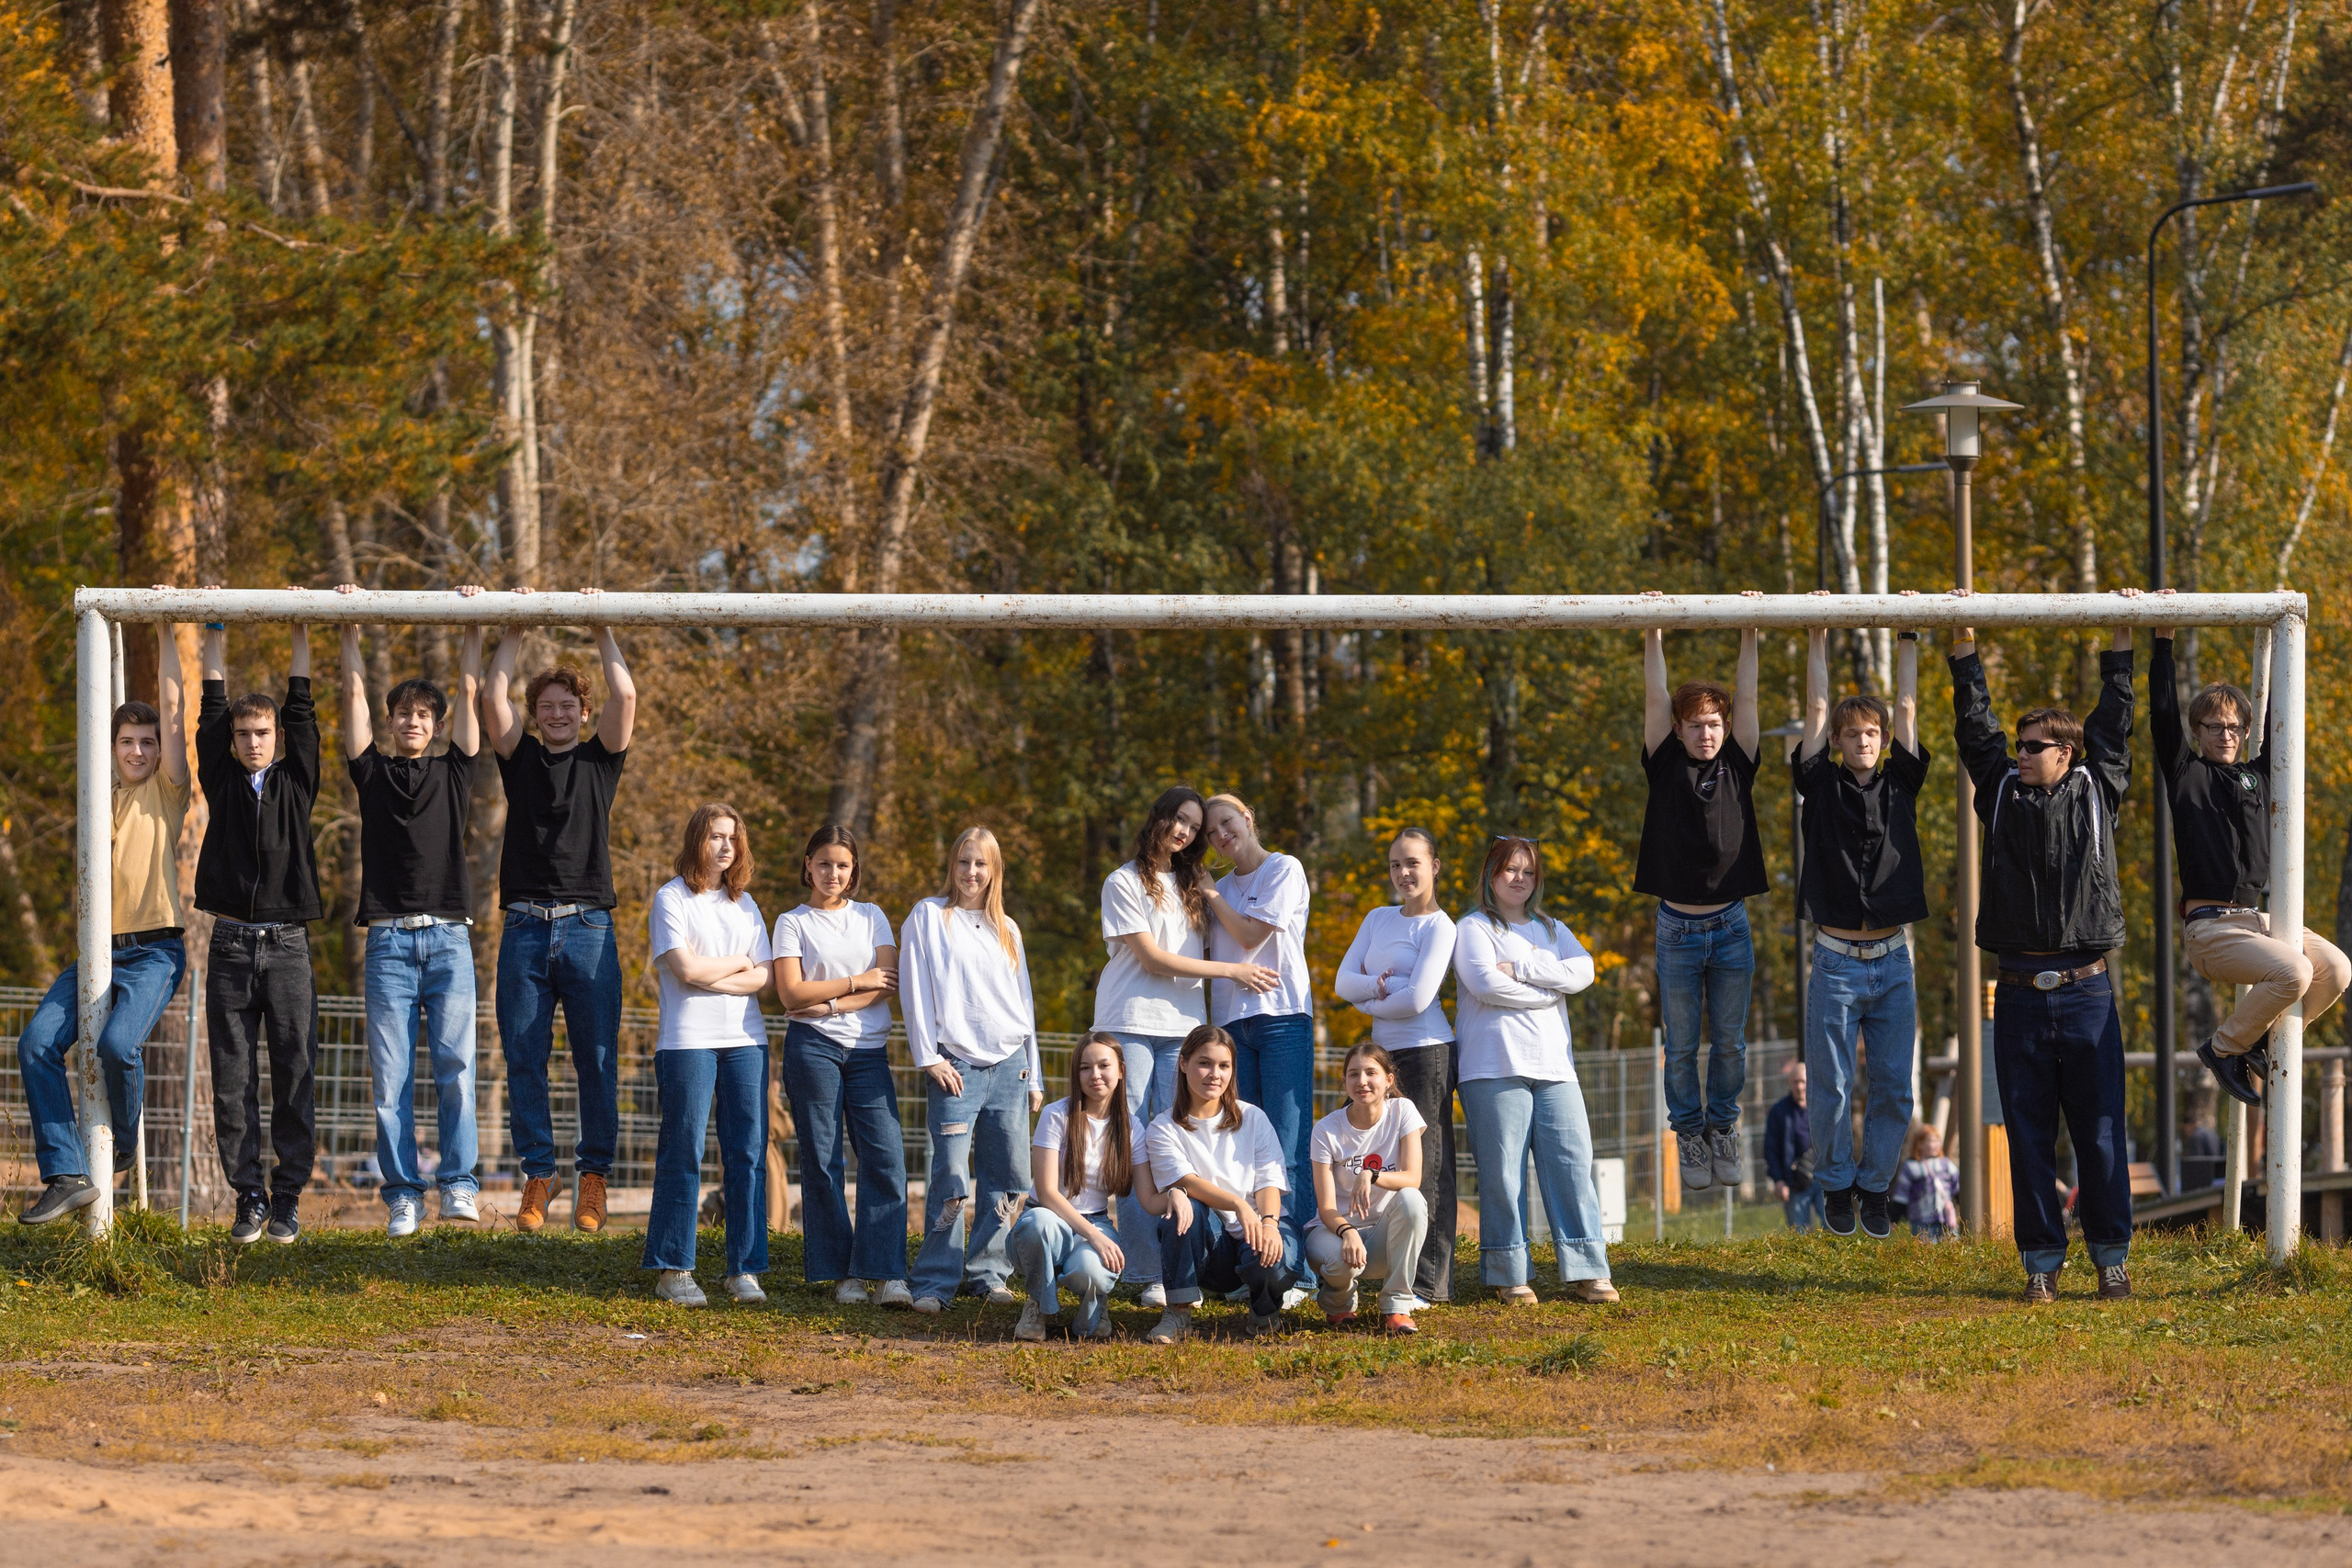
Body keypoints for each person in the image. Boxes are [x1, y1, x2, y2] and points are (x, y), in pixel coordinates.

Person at [1951, 588, 2142, 1303]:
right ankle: (2040, 1267)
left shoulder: (2097, 787)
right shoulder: (1998, 790)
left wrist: (2122, 637)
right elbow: (1976, 730)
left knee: (2097, 1133)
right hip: (2020, 995)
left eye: (2034, 747)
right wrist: (1962, 643)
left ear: (2066, 753)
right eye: (2019, 745)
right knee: (2027, 1135)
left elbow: (2115, 723)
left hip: (2089, 989)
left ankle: (2111, 1258)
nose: (2020, 754)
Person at [15, 616, 192, 1225]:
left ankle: (116, 1145)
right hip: (97, 952)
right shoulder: (98, 793)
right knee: (36, 1042)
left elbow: (173, 706)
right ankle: (66, 1171)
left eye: (147, 741)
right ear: (111, 747)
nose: (139, 750)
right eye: (127, 742)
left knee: (118, 1043)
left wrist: (168, 632)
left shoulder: (167, 791)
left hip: (155, 952)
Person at [2149, 616, 2351, 1108]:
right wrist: (2162, 643)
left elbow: (2286, 716)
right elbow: (2161, 712)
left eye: (2235, 727)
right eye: (2215, 727)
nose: (2226, 735)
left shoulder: (2258, 777)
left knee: (2336, 969)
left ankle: (2255, 1039)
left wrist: (2289, 640)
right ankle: (2223, 1048)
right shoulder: (2186, 773)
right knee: (2294, 973)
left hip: (2260, 920)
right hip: (2212, 928)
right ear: (2198, 731)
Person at [481, 607, 637, 1235]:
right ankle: (539, 1174)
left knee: (596, 1057)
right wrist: (513, 626)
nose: (555, 713)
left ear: (582, 710)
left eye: (566, 704)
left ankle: (592, 1177)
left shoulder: (602, 761)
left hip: (588, 927)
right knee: (524, 1055)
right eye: (544, 705)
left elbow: (626, 692)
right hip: (523, 928)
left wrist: (603, 625)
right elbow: (490, 693)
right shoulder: (518, 759)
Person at [1092, 786, 1275, 1306]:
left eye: (1194, 827)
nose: (1185, 832)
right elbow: (1152, 960)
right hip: (1128, 1021)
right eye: (1179, 820)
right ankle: (1142, 1270)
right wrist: (1233, 971)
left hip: (1184, 1028)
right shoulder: (1123, 881)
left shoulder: (1195, 884)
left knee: (1183, 1142)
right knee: (1131, 1146)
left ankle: (1190, 1265)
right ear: (1158, 818)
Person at [337, 595, 485, 1237]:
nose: (412, 721)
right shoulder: (371, 773)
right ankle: (403, 1193)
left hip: (450, 939)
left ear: (437, 723)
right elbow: (352, 703)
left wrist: (476, 629)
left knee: (456, 1067)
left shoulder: (456, 773)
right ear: (391, 722)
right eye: (403, 713)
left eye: (424, 714)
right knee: (389, 1079)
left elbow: (473, 696)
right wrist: (348, 632)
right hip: (390, 944)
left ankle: (458, 1184)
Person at [1794, 621, 1930, 1239]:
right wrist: (1817, 635)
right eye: (1853, 735)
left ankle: (1876, 1185)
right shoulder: (1818, 783)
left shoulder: (1903, 781)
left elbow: (1907, 705)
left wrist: (1907, 640)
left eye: (1872, 733)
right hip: (1836, 959)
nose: (1864, 742)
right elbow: (1817, 707)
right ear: (1839, 741)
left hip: (1893, 958)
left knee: (1896, 1086)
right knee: (1833, 1086)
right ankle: (1836, 1184)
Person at [195, 602, 323, 1246]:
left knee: (295, 1070)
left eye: (262, 733)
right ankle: (248, 1196)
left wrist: (300, 623)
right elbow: (210, 700)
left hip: (290, 944)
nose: (251, 741)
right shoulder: (219, 779)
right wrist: (213, 625)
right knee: (233, 1076)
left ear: (276, 737)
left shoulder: (297, 781)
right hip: (229, 946)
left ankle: (288, 1199)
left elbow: (302, 702)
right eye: (244, 733)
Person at [1452, 836, 1618, 1305]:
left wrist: (1523, 967)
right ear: (1491, 874)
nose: (1519, 878)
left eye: (1527, 871)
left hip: (1555, 1066)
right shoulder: (1473, 927)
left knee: (1572, 1163)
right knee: (1504, 1173)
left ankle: (1588, 1269)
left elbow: (1583, 972)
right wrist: (1549, 988)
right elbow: (1485, 985)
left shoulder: (1551, 927)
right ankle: (1510, 1271)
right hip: (1492, 1066)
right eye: (1510, 870)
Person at [1637, 609, 1766, 1201]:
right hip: (1677, 929)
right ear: (1680, 731)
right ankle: (1689, 1132)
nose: (1706, 734)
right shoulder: (1663, 763)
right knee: (1683, 1043)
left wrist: (1749, 628)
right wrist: (1654, 630)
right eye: (1695, 726)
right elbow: (1655, 694)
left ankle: (1723, 1127)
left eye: (1713, 724)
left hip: (1731, 925)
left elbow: (1748, 693)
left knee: (1732, 1041)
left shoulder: (1739, 761)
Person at [900, 827, 1042, 1314]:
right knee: (951, 1178)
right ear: (952, 864)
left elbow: (1023, 1004)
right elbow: (915, 989)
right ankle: (934, 1281)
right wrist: (929, 1056)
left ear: (994, 870)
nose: (971, 872)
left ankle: (988, 1272)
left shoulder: (1009, 928)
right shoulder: (929, 917)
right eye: (964, 861)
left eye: (981, 864)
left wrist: (1036, 1076)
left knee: (1008, 1176)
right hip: (955, 1064)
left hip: (1011, 1066)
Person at [772, 824, 910, 1306]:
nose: (833, 873)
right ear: (808, 864)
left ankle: (886, 1270)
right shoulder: (792, 922)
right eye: (824, 863)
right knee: (824, 1159)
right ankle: (840, 1273)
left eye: (843, 865)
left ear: (854, 872)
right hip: (813, 1048)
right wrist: (856, 981)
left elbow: (886, 982)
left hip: (869, 1053)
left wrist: (831, 1002)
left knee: (885, 1156)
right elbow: (790, 993)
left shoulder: (872, 916)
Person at [643, 804, 773, 1307]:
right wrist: (738, 963)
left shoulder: (747, 906)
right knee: (685, 1151)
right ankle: (673, 1268)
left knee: (747, 1154)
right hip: (686, 1041)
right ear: (697, 839)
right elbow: (684, 971)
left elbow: (764, 978)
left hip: (747, 1042)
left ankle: (744, 1269)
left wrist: (716, 970)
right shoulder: (670, 899)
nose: (725, 847)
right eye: (716, 836)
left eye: (733, 839)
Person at [1331, 827, 1458, 1305]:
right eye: (1395, 865)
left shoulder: (1440, 926)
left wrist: (1375, 994)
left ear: (1434, 867)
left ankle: (1427, 1283)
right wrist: (1387, 990)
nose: (1403, 874)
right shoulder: (1377, 918)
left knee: (1425, 1167)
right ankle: (1363, 1264)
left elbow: (1420, 999)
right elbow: (1344, 982)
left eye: (1413, 864)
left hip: (1427, 1054)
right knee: (1366, 1158)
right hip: (1382, 1059)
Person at [1143, 1024, 1306, 1343]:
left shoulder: (1253, 1117)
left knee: (1275, 1254)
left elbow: (1270, 1180)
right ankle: (1178, 1312)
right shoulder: (1163, 1128)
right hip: (1211, 1246)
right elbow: (1186, 1181)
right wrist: (1237, 1204)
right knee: (1183, 1204)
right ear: (1183, 1063)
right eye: (1204, 1063)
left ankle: (1264, 1310)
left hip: (1256, 1228)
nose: (1214, 1074)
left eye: (1224, 1065)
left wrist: (1270, 1223)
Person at [1008, 1032, 1175, 1341]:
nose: (1094, 1075)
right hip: (1047, 1217)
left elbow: (1149, 1200)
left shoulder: (1131, 1128)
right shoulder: (1056, 1115)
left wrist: (1177, 1196)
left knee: (1093, 1270)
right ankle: (1038, 1306)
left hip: (1095, 1220)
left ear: (1121, 1070)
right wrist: (1096, 1236)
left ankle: (1093, 1311)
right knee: (1041, 1225)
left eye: (1103, 1065)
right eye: (1085, 1068)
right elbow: (1046, 1193)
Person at [1202, 794, 1317, 1227]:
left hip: (1283, 1018)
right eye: (1211, 832)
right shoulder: (1224, 886)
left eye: (1227, 822)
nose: (1220, 835)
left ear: (1248, 817)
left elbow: (1251, 936)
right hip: (1230, 1025)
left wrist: (1210, 893)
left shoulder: (1283, 868)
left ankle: (1297, 1267)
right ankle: (1254, 1258)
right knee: (1244, 1144)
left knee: (1288, 1144)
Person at [1305, 1043, 1430, 1334]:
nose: (1361, 1081)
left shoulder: (1402, 1111)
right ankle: (1338, 1302)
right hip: (1334, 1232)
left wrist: (1371, 1175)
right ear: (1345, 1081)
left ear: (1389, 1079)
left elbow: (1413, 1178)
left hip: (1382, 1236)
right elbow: (1326, 1207)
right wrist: (1347, 1232)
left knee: (1412, 1200)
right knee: (1340, 1264)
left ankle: (1397, 1306)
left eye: (1371, 1072)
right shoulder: (1326, 1129)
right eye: (1353, 1074)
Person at [1763, 1060, 1821, 1232]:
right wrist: (1779, 1180)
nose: (1799, 1086)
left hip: (1822, 1178)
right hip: (1794, 1180)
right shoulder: (1779, 1111)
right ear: (1790, 1083)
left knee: (1833, 1230)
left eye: (1803, 1081)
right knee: (1800, 1233)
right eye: (1795, 1081)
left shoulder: (1821, 1107)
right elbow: (1770, 1149)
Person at [1888, 1122, 1960, 1242]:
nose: (1936, 1145)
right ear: (1919, 1144)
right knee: (1926, 1255)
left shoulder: (1946, 1164)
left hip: (1946, 1220)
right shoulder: (1911, 1167)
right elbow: (1901, 1197)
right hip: (1921, 1222)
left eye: (1938, 1141)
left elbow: (1959, 1189)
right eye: (1932, 1141)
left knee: (1951, 1254)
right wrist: (1894, 1220)